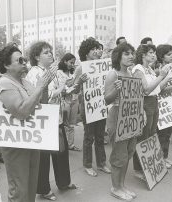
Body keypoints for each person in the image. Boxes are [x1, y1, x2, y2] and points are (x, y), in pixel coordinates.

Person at [0, 44, 54, 202]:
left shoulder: (25, 82)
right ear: (6, 65)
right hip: (15, 145)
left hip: (31, 140)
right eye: (19, 60)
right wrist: (40, 86)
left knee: (31, 186)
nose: (24, 63)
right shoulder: (4, 83)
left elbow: (40, 105)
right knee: (19, 188)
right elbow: (21, 111)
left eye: (24, 59)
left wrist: (44, 88)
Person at [26, 41, 76, 201]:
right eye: (46, 52)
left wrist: (69, 88)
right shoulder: (34, 73)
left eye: (50, 51)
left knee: (61, 151)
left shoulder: (50, 71)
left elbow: (59, 91)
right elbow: (37, 97)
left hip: (56, 117)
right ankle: (44, 189)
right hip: (43, 120)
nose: (50, 54)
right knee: (44, 157)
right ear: (36, 56)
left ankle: (64, 182)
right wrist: (58, 90)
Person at [131, 44, 172, 180]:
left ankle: (149, 166)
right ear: (143, 55)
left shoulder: (148, 68)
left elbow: (157, 88)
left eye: (154, 52)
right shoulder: (138, 69)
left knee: (151, 134)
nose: (154, 55)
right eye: (150, 52)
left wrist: (168, 76)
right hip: (145, 103)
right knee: (143, 136)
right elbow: (146, 90)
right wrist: (161, 75)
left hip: (154, 102)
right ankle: (138, 169)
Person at [104, 43, 137, 201]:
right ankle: (115, 188)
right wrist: (116, 89)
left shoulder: (130, 72)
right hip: (117, 115)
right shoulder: (113, 74)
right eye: (126, 54)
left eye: (132, 53)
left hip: (131, 116)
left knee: (128, 152)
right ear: (118, 56)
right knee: (119, 154)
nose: (131, 56)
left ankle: (122, 185)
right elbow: (106, 100)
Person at [75, 37, 111, 177]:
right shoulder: (81, 68)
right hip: (87, 106)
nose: (97, 51)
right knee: (89, 137)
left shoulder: (103, 66)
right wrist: (79, 81)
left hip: (101, 105)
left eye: (98, 48)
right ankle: (88, 164)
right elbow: (73, 88)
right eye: (93, 49)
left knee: (100, 136)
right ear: (86, 53)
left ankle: (101, 163)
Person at [57, 53, 81, 151]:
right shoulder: (58, 73)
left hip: (74, 99)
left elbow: (76, 89)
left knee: (71, 124)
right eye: (71, 62)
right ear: (65, 61)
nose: (72, 64)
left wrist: (76, 85)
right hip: (64, 101)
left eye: (73, 63)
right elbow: (62, 89)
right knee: (64, 124)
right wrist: (73, 85)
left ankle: (70, 145)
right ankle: (64, 145)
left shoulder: (73, 73)